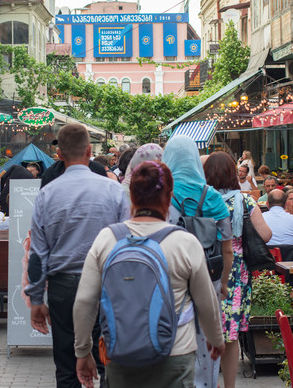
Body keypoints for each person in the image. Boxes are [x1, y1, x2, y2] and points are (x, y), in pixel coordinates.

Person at [73, 161, 225, 388]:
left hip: (121, 353)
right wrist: (216, 339)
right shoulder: (184, 242)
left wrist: (83, 351)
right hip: (176, 354)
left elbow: (85, 301)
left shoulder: (107, 239)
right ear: (169, 197)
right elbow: (207, 303)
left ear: (131, 196)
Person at [26, 124, 130, 387]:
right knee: (108, 361)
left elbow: (39, 253)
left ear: (59, 154)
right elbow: (127, 245)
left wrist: (36, 298)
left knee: (67, 365)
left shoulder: (46, 194)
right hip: (107, 285)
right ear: (88, 151)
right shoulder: (114, 191)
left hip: (64, 287)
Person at [163, 135, 232, 388]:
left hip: (171, 277)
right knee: (208, 340)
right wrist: (223, 282)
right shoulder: (213, 196)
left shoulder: (162, 193)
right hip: (209, 273)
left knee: (173, 336)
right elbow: (227, 247)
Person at [203, 152, 271, 388]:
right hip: (236, 272)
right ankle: (230, 385)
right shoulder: (245, 201)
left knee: (204, 328)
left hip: (206, 266)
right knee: (231, 334)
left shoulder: (200, 201)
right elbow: (266, 235)